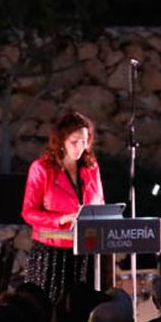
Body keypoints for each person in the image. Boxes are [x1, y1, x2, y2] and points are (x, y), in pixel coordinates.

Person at [20, 109, 105, 303]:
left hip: (86, 249)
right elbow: (28, 212)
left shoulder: (91, 168)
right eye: (74, 142)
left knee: (85, 307)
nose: (80, 147)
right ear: (61, 141)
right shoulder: (41, 168)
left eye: (84, 141)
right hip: (53, 251)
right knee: (53, 307)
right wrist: (61, 219)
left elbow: (100, 203)